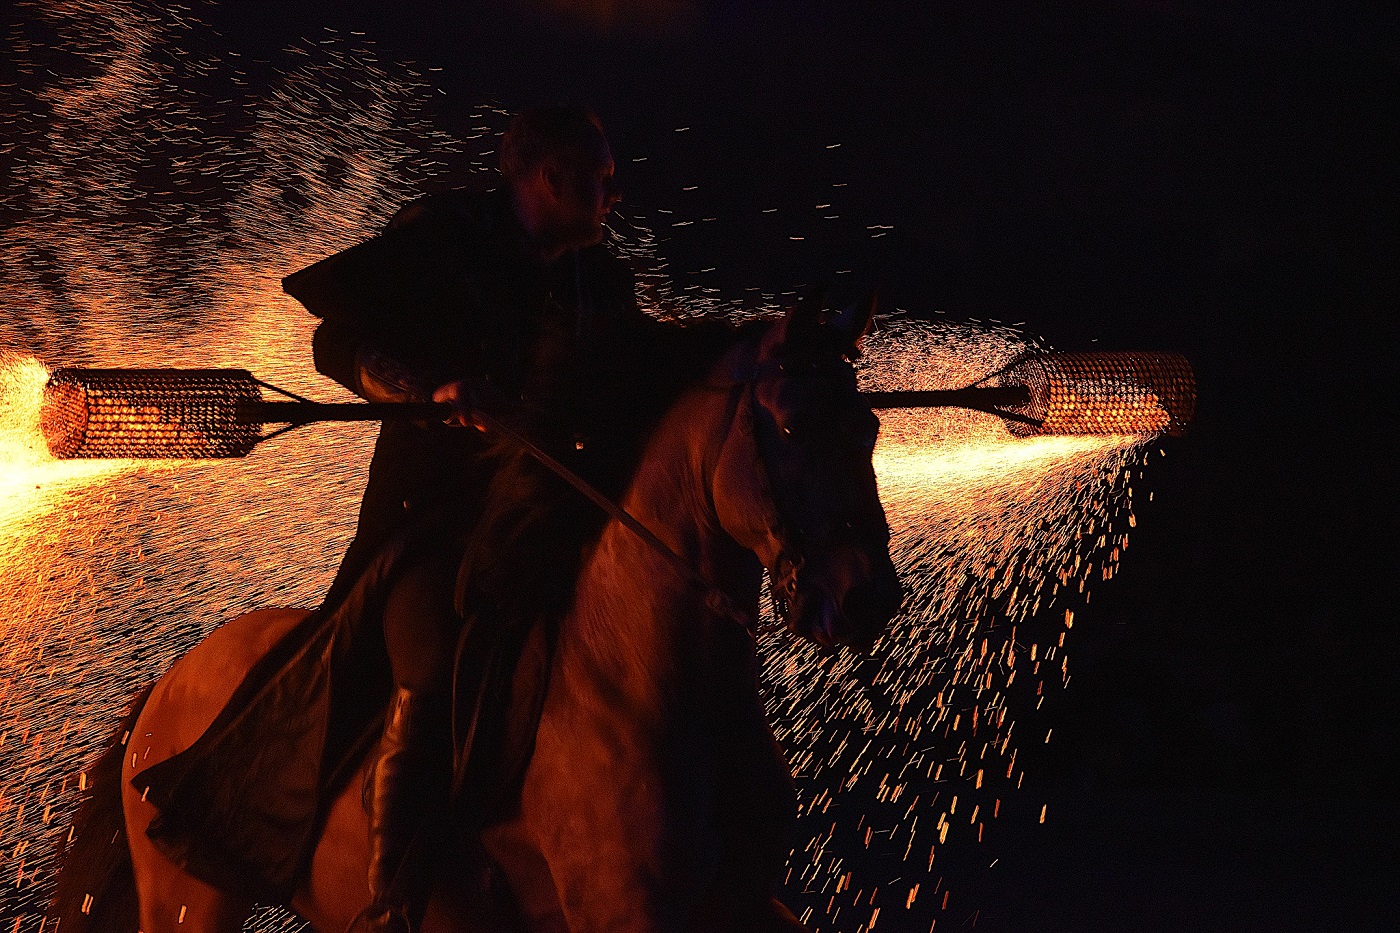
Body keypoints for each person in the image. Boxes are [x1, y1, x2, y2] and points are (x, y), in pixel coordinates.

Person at [137, 105, 711, 933]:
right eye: (601, 179)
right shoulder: (444, 239)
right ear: (549, 179)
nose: (615, 196)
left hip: (539, 527)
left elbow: (654, 362)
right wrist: (425, 390)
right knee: (434, 669)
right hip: (428, 527)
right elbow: (338, 341)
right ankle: (394, 898)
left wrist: (773, 354)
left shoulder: (597, 279)